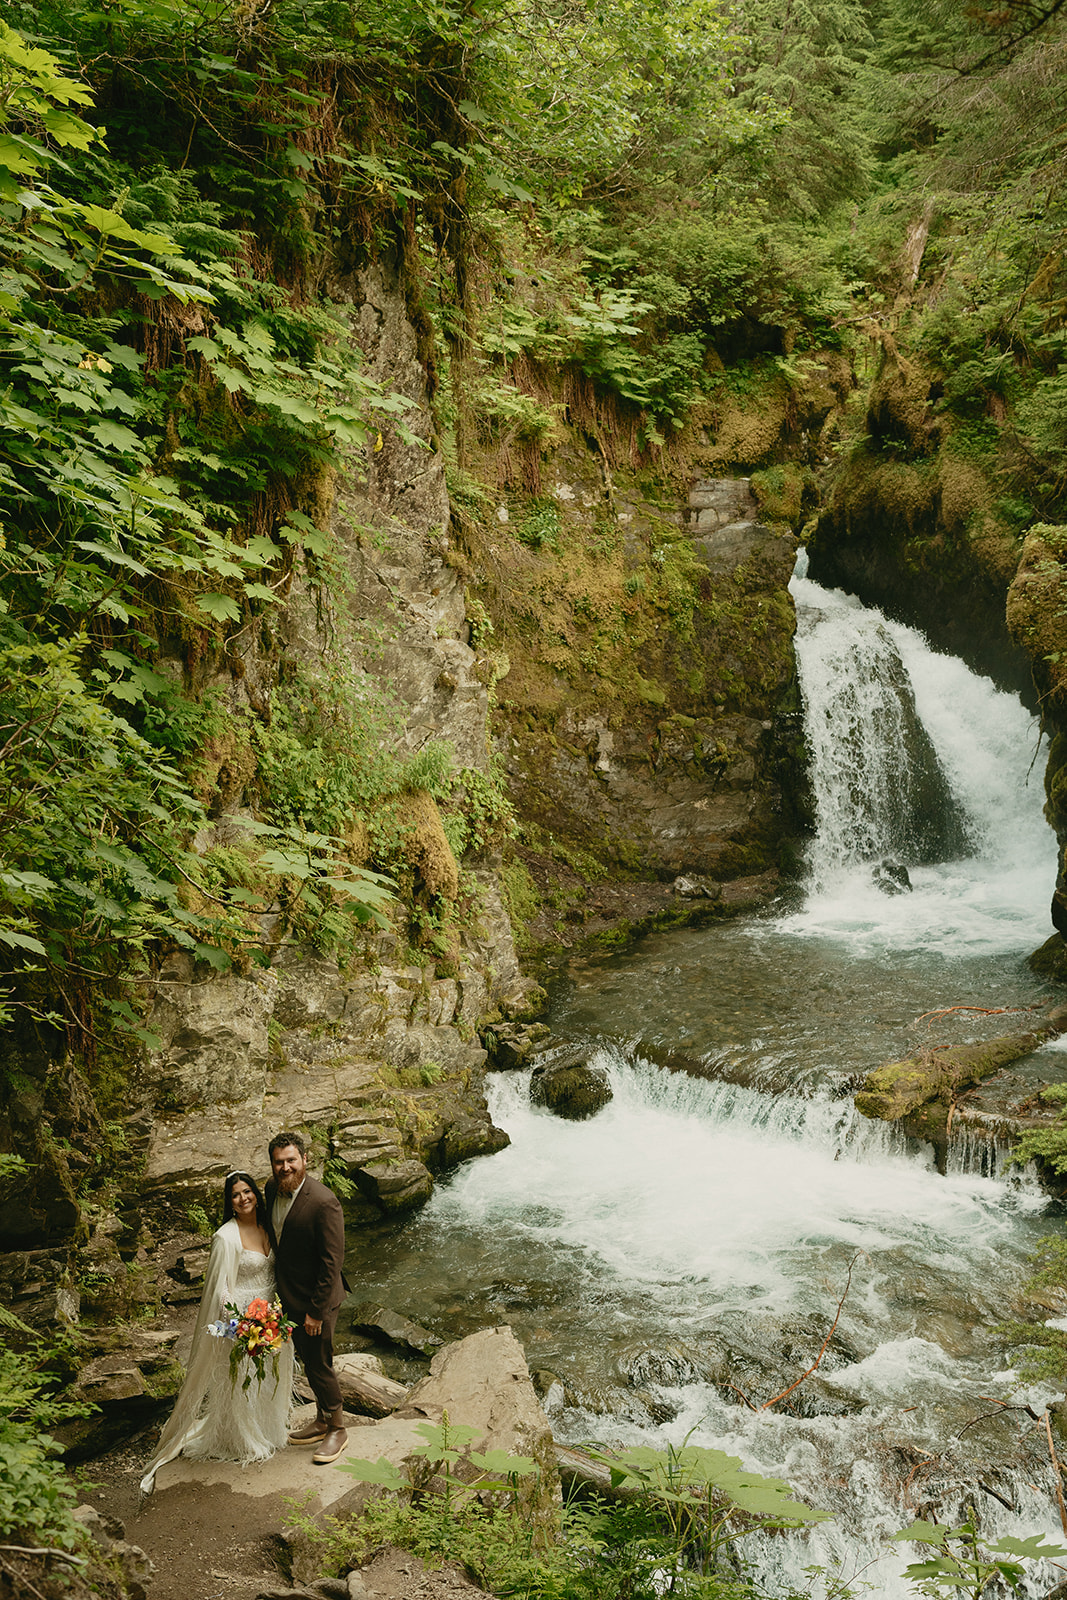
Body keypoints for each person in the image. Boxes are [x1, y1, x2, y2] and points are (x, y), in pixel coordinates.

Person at [139, 1172, 294, 1494]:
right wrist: (237, 1324)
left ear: (256, 1194)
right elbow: (219, 1289)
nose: (243, 1198)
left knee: (267, 1377)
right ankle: (242, 1440)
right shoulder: (226, 1237)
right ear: (229, 1202)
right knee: (240, 1380)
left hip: (269, 1316)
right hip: (239, 1320)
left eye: (247, 1191)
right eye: (235, 1195)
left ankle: (266, 1429)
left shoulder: (268, 1227)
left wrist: (276, 1316)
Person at [264, 1131, 349, 1465]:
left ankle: (338, 1429)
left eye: (291, 1160)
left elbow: (332, 1262)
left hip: (319, 1299)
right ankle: (320, 1420)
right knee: (306, 1356)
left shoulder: (324, 1201)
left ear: (303, 1160)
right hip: (289, 1294)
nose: (285, 1167)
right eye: (279, 1162)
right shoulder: (272, 1189)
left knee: (319, 1361)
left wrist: (316, 1312)